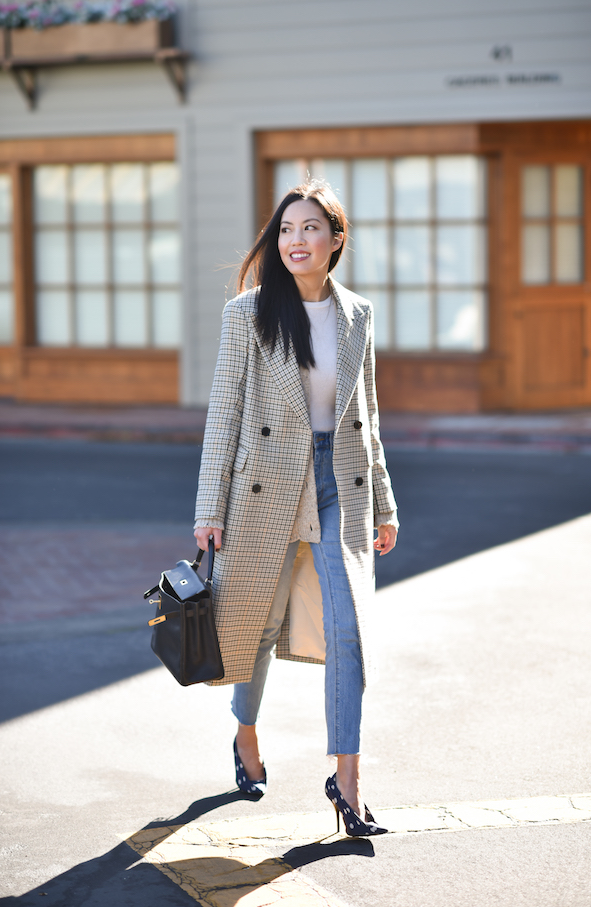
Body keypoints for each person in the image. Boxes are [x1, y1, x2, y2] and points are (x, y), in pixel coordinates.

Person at [194, 181, 398, 837]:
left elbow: (367, 418)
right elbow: (223, 414)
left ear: (336, 238)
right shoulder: (247, 313)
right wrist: (209, 507)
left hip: (340, 481)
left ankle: (347, 781)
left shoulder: (357, 314)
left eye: (310, 228)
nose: (295, 240)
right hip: (263, 486)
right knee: (254, 625)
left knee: (347, 633)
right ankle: (245, 734)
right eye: (286, 230)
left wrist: (386, 504)